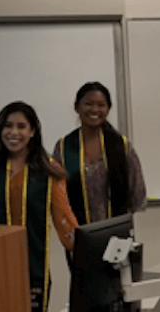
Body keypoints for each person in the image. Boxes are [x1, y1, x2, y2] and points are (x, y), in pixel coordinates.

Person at [0, 101, 78, 312]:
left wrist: (87, 248)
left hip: (33, 268)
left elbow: (64, 218)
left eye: (21, 126)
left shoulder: (49, 169)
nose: (13, 132)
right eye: (8, 126)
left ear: (32, 132)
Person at [53, 82, 147, 225]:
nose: (95, 109)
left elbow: (137, 192)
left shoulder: (121, 146)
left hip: (118, 232)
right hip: (78, 234)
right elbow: (56, 194)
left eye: (101, 105)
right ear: (77, 107)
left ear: (108, 109)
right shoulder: (63, 147)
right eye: (88, 104)